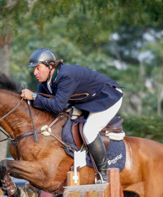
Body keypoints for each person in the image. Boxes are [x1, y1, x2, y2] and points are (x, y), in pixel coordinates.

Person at [21, 48, 123, 180]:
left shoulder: (65, 76)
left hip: (107, 98)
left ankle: (104, 174)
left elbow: (57, 106)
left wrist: (33, 96)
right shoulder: (47, 81)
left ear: (50, 66)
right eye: (33, 69)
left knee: (89, 131)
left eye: (37, 68)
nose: (35, 73)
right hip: (87, 101)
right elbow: (41, 102)